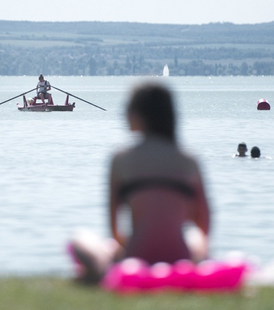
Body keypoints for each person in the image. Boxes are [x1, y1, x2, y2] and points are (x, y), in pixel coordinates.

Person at [70, 82, 210, 284]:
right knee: (194, 237)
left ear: (138, 115)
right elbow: (204, 223)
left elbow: (114, 226)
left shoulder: (121, 158)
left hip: (136, 256)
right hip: (181, 257)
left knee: (79, 237)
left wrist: (121, 248)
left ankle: (102, 272)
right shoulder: (189, 159)